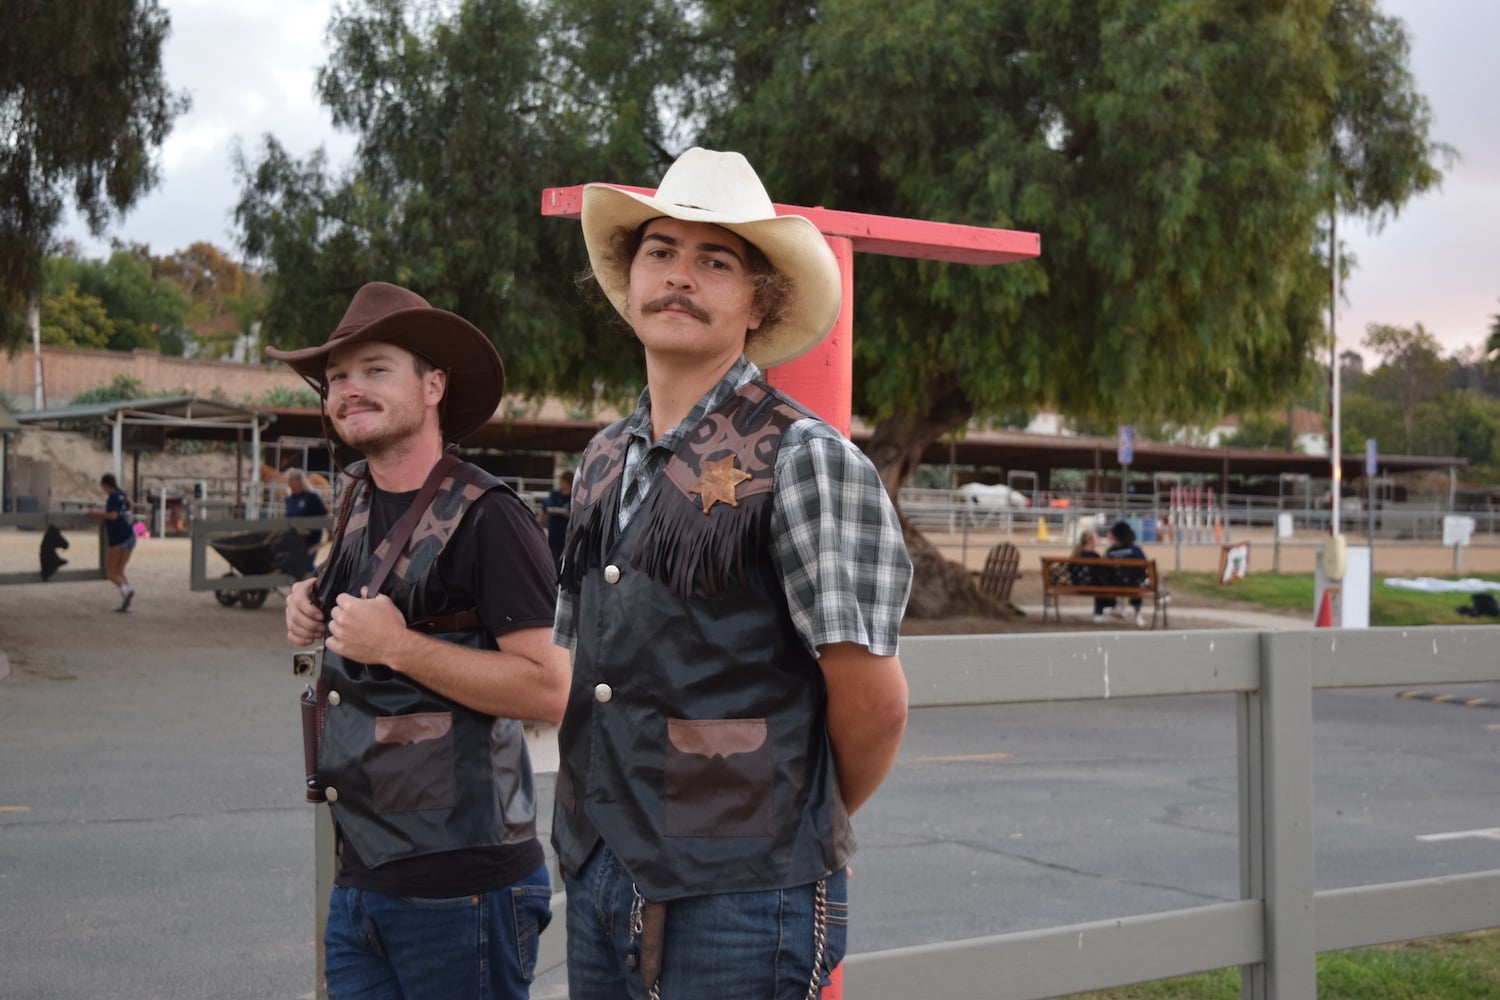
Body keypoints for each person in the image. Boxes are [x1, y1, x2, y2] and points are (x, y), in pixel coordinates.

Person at [552, 147, 913, 999]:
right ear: (630, 280)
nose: (681, 276)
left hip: (744, 899)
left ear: (760, 300)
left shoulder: (807, 459)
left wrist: (769, 826)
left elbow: (874, 705)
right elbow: (585, 662)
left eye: (715, 261)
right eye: (661, 252)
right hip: (599, 867)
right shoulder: (602, 458)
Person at [266, 281, 570, 999]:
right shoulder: (356, 499)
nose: (349, 389)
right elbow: (359, 609)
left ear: (433, 385)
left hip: (462, 887)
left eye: (375, 369)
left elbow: (548, 689)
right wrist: (305, 607)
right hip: (362, 876)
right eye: (337, 376)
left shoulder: (491, 517)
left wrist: (398, 646)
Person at [88, 473, 136, 612]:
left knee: (110, 572)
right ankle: (125, 599)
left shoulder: (113, 496)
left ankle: (125, 591)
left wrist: (95, 513)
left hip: (118, 536)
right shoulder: (122, 494)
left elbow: (113, 515)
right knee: (120, 570)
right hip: (129, 534)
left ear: (105, 485)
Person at [1097, 519, 1148, 627]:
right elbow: (1144, 567)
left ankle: (1105, 610)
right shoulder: (1136, 550)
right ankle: (1138, 613)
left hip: (1114, 584)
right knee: (1136, 580)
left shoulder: (1111, 551)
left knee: (1104, 579)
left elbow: (1104, 570)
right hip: (1134, 585)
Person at [283, 468, 329, 573]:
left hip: (311, 537)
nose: (289, 483)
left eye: (291, 480)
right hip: (294, 538)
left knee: (306, 565)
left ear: (299, 481)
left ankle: (316, 584)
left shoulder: (312, 497)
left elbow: (323, 514)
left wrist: (330, 531)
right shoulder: (289, 500)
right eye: (289, 480)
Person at [539, 469, 574, 571]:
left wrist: (568, 514)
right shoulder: (554, 494)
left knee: (566, 559)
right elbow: (544, 510)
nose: (561, 483)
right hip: (554, 534)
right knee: (552, 558)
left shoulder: (573, 497)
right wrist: (537, 526)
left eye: (563, 481)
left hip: (567, 534)